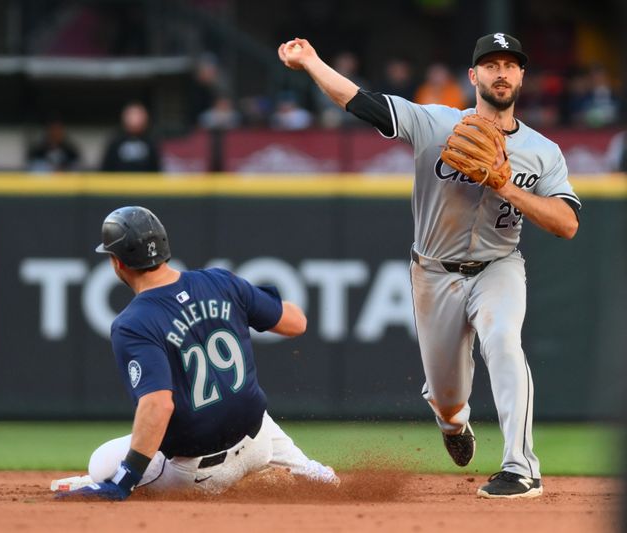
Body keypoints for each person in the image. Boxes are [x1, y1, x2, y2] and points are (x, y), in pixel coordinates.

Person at [279, 33, 579, 499]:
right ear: (473, 76)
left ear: (522, 76)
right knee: (447, 396)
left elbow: (567, 223)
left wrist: (508, 188)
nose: (502, 72)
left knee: (503, 342)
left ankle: (521, 467)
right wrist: (313, 62)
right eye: (491, 64)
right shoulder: (435, 123)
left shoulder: (543, 152)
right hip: (434, 273)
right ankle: (450, 420)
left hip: (500, 266)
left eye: (511, 65)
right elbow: (361, 101)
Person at [51, 206, 338, 499]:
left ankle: (126, 480)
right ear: (164, 248)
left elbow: (159, 405)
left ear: (117, 263)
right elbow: (296, 323)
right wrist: (253, 297)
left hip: (199, 473)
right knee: (312, 473)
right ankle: (305, 471)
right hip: (260, 440)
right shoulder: (221, 282)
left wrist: (123, 482)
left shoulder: (132, 322)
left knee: (101, 462)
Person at [100, 103, 161, 172]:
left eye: (138, 115)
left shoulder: (151, 142)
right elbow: (106, 168)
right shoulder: (116, 142)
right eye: (131, 115)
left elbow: (157, 169)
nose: (135, 119)